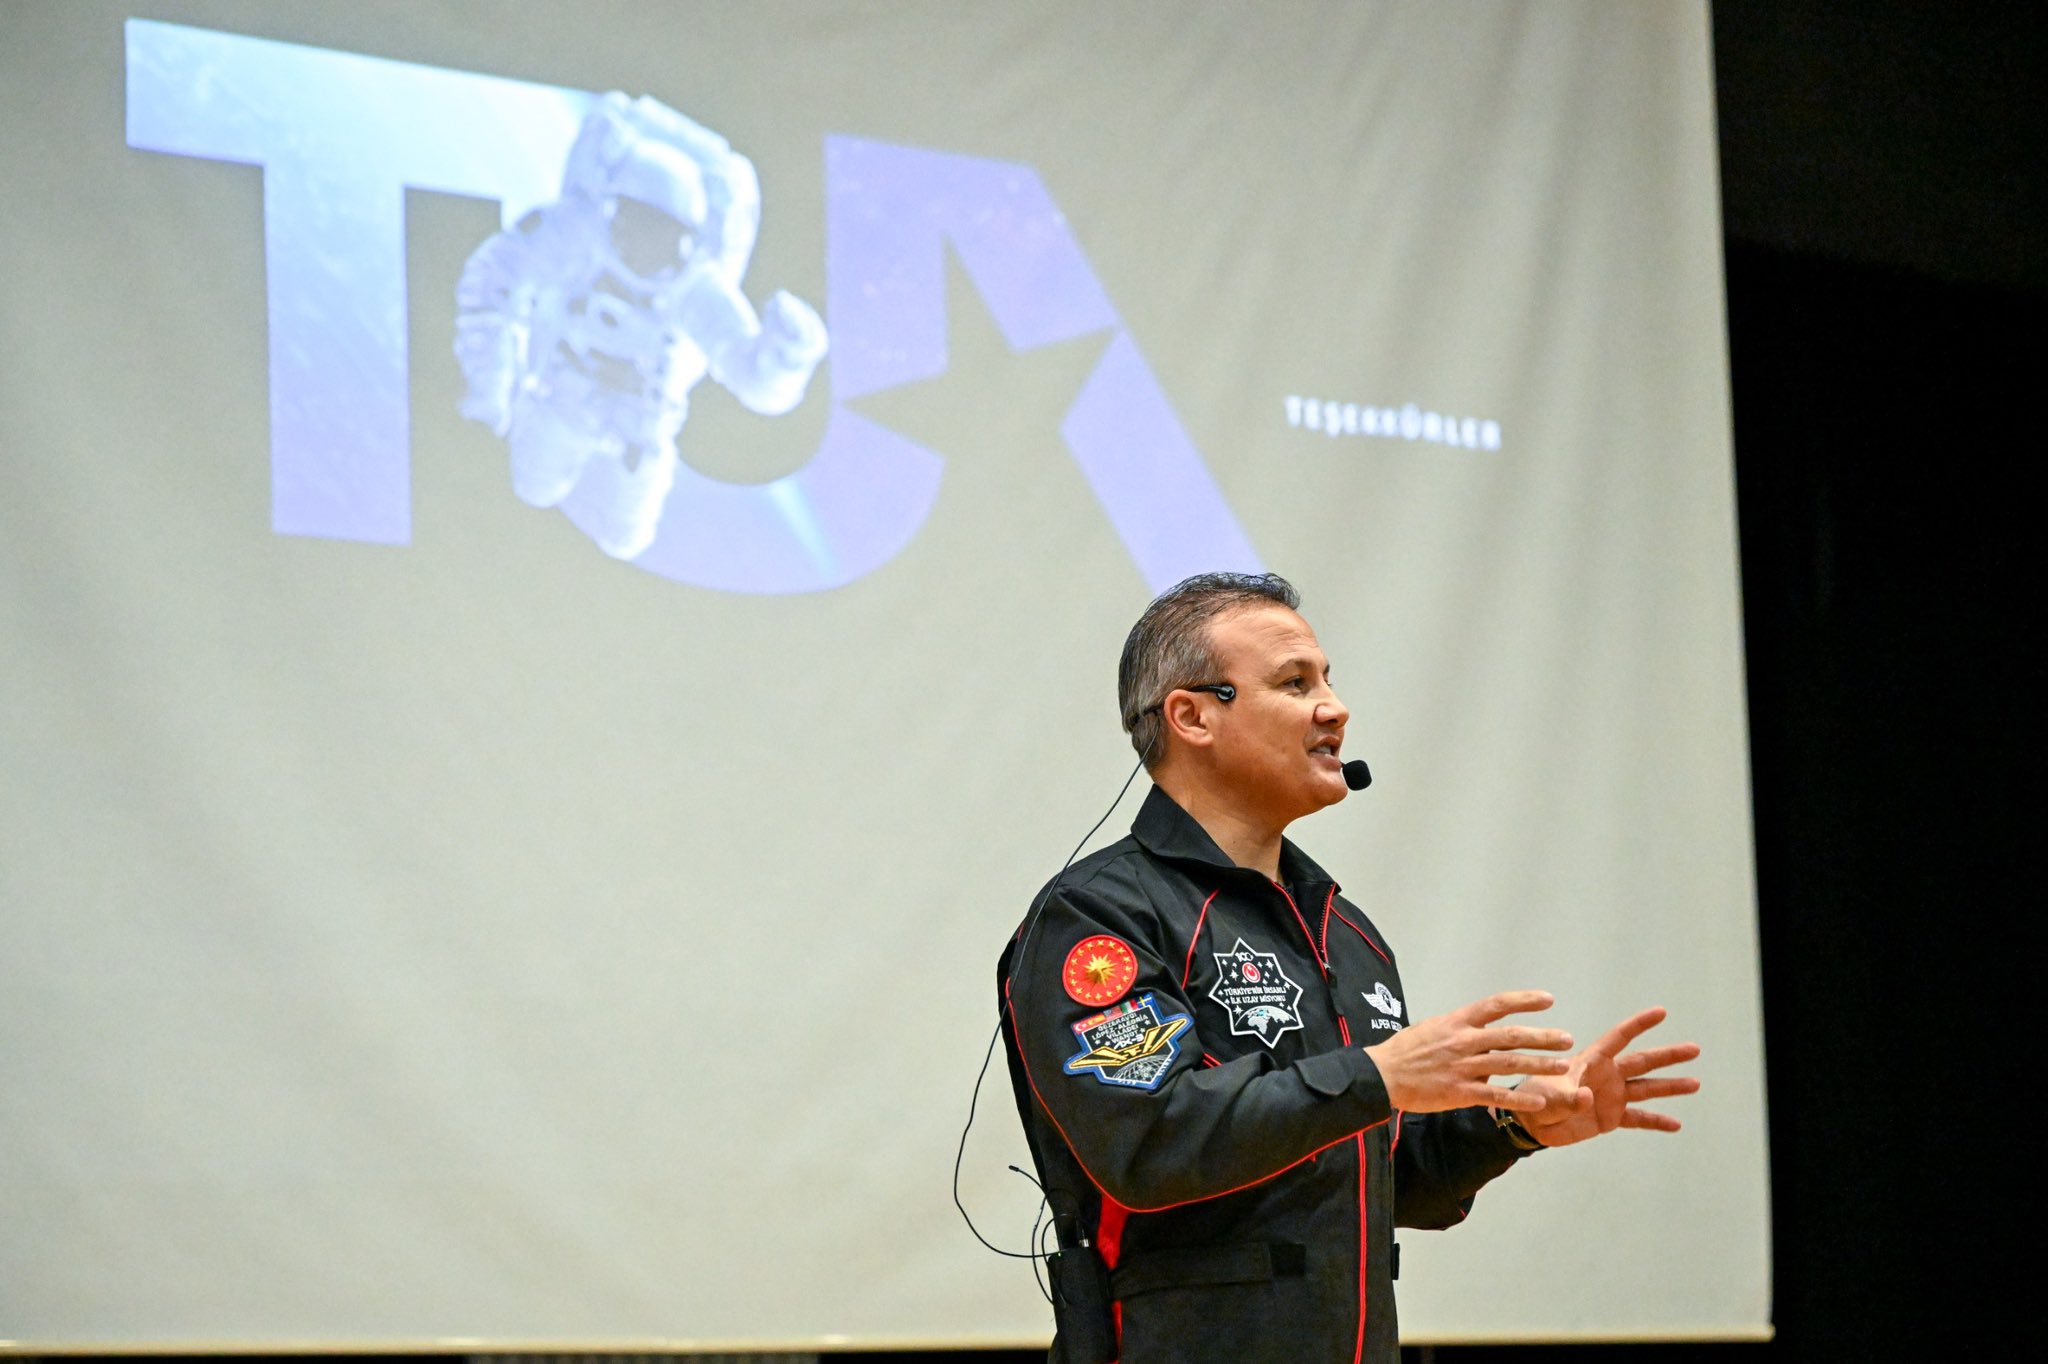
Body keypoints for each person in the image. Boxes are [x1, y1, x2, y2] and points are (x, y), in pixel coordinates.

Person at [998, 572, 1699, 1364]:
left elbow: (1382, 1175)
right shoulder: (1099, 916)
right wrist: (1376, 1076)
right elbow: (1152, 1143)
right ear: (1191, 715)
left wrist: (1513, 1125)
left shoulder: (1344, 929)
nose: (1335, 707)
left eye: (1329, 680)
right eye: (1295, 683)